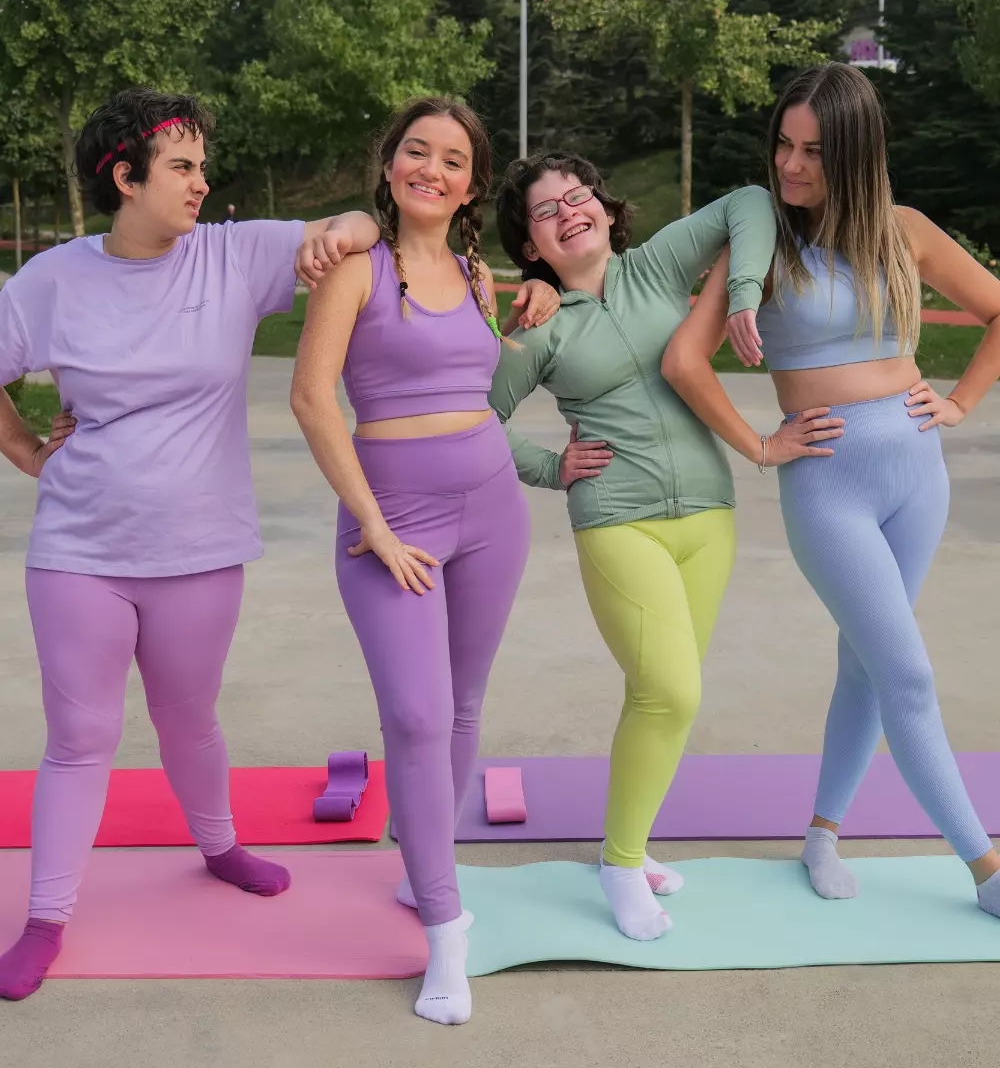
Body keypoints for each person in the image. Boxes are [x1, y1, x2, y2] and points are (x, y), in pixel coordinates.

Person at [0, 86, 382, 1001]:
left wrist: (349, 232)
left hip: (200, 550)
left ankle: (219, 846)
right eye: (181, 166)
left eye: (203, 164)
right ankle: (46, 917)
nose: (202, 182)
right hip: (79, 549)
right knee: (81, 735)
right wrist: (25, 453)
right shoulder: (51, 279)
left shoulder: (236, 255)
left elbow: (360, 218)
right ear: (125, 178)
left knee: (188, 719)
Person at [662, 61, 1000, 918]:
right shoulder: (760, 244)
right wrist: (761, 446)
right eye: (784, 143)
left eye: (812, 150)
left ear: (854, 153)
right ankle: (987, 870)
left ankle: (821, 833)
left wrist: (959, 400)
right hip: (828, 486)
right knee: (909, 677)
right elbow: (682, 360)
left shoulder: (904, 230)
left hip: (919, 473)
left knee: (867, 665)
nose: (791, 164)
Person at [488, 152, 835, 943]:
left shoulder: (657, 266)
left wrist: (742, 291)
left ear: (606, 210)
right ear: (533, 246)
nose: (568, 210)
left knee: (662, 701)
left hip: (709, 516)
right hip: (617, 520)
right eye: (547, 210)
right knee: (671, 692)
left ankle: (633, 849)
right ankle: (618, 864)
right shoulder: (537, 328)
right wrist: (550, 468)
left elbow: (750, 199)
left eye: (578, 196)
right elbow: (473, 423)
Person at [290, 97, 559, 1025]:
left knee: (463, 707)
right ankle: (445, 933)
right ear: (391, 161)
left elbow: (491, 373)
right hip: (387, 521)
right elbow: (312, 399)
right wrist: (373, 520)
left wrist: (548, 293)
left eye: (452, 160)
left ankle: (425, 871)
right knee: (414, 713)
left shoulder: (482, 276)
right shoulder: (356, 268)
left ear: (472, 184)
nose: (431, 170)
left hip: (490, 509)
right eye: (416, 152)